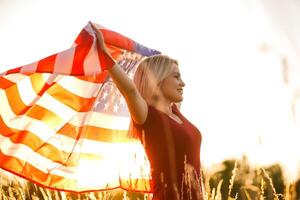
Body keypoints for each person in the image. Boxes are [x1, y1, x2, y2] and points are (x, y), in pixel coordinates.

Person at [91, 23, 203, 200]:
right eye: (176, 76)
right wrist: (104, 53)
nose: (183, 83)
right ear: (158, 79)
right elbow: (130, 91)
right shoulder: (147, 116)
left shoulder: (175, 112)